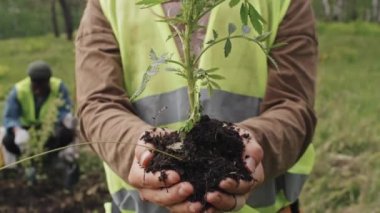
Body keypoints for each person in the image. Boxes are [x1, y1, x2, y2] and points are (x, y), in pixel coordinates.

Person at [75, 0, 317, 212]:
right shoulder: (107, 3)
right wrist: (138, 150)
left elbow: (294, 104)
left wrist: (256, 145)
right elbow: (97, 103)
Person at [0, 60, 79, 187]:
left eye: (42, 86)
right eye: (35, 86)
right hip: (27, 130)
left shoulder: (58, 87)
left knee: (66, 133)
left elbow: (64, 108)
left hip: (49, 129)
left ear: (48, 81)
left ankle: (50, 158)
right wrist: (17, 131)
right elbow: (10, 117)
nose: (38, 90)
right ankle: (26, 163)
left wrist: (66, 118)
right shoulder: (19, 90)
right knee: (8, 140)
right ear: (31, 81)